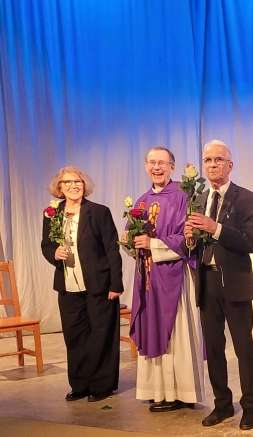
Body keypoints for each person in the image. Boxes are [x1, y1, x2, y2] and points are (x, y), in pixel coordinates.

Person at [184, 140, 253, 430]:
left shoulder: (246, 198)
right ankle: (222, 404)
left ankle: (249, 407)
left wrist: (214, 228)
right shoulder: (199, 199)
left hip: (236, 283)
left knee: (243, 348)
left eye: (218, 159)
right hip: (208, 282)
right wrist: (190, 239)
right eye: (208, 160)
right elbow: (192, 247)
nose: (212, 164)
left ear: (230, 165)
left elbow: (250, 242)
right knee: (214, 348)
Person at [124, 146, 205, 413]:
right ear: (145, 166)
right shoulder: (141, 201)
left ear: (172, 166)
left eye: (162, 163)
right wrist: (129, 242)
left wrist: (154, 243)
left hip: (175, 276)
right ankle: (157, 390)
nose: (156, 168)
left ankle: (180, 392)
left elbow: (190, 238)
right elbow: (133, 243)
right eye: (151, 163)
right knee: (152, 328)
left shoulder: (184, 195)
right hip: (148, 278)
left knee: (177, 334)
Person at [41, 166, 123, 402]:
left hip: (99, 284)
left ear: (84, 185)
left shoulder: (98, 212)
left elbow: (111, 248)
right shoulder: (52, 213)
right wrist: (53, 253)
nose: (73, 186)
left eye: (77, 181)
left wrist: (116, 284)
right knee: (75, 336)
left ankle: (102, 385)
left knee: (101, 335)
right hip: (68, 285)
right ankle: (80, 384)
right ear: (59, 187)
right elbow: (46, 244)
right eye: (67, 182)